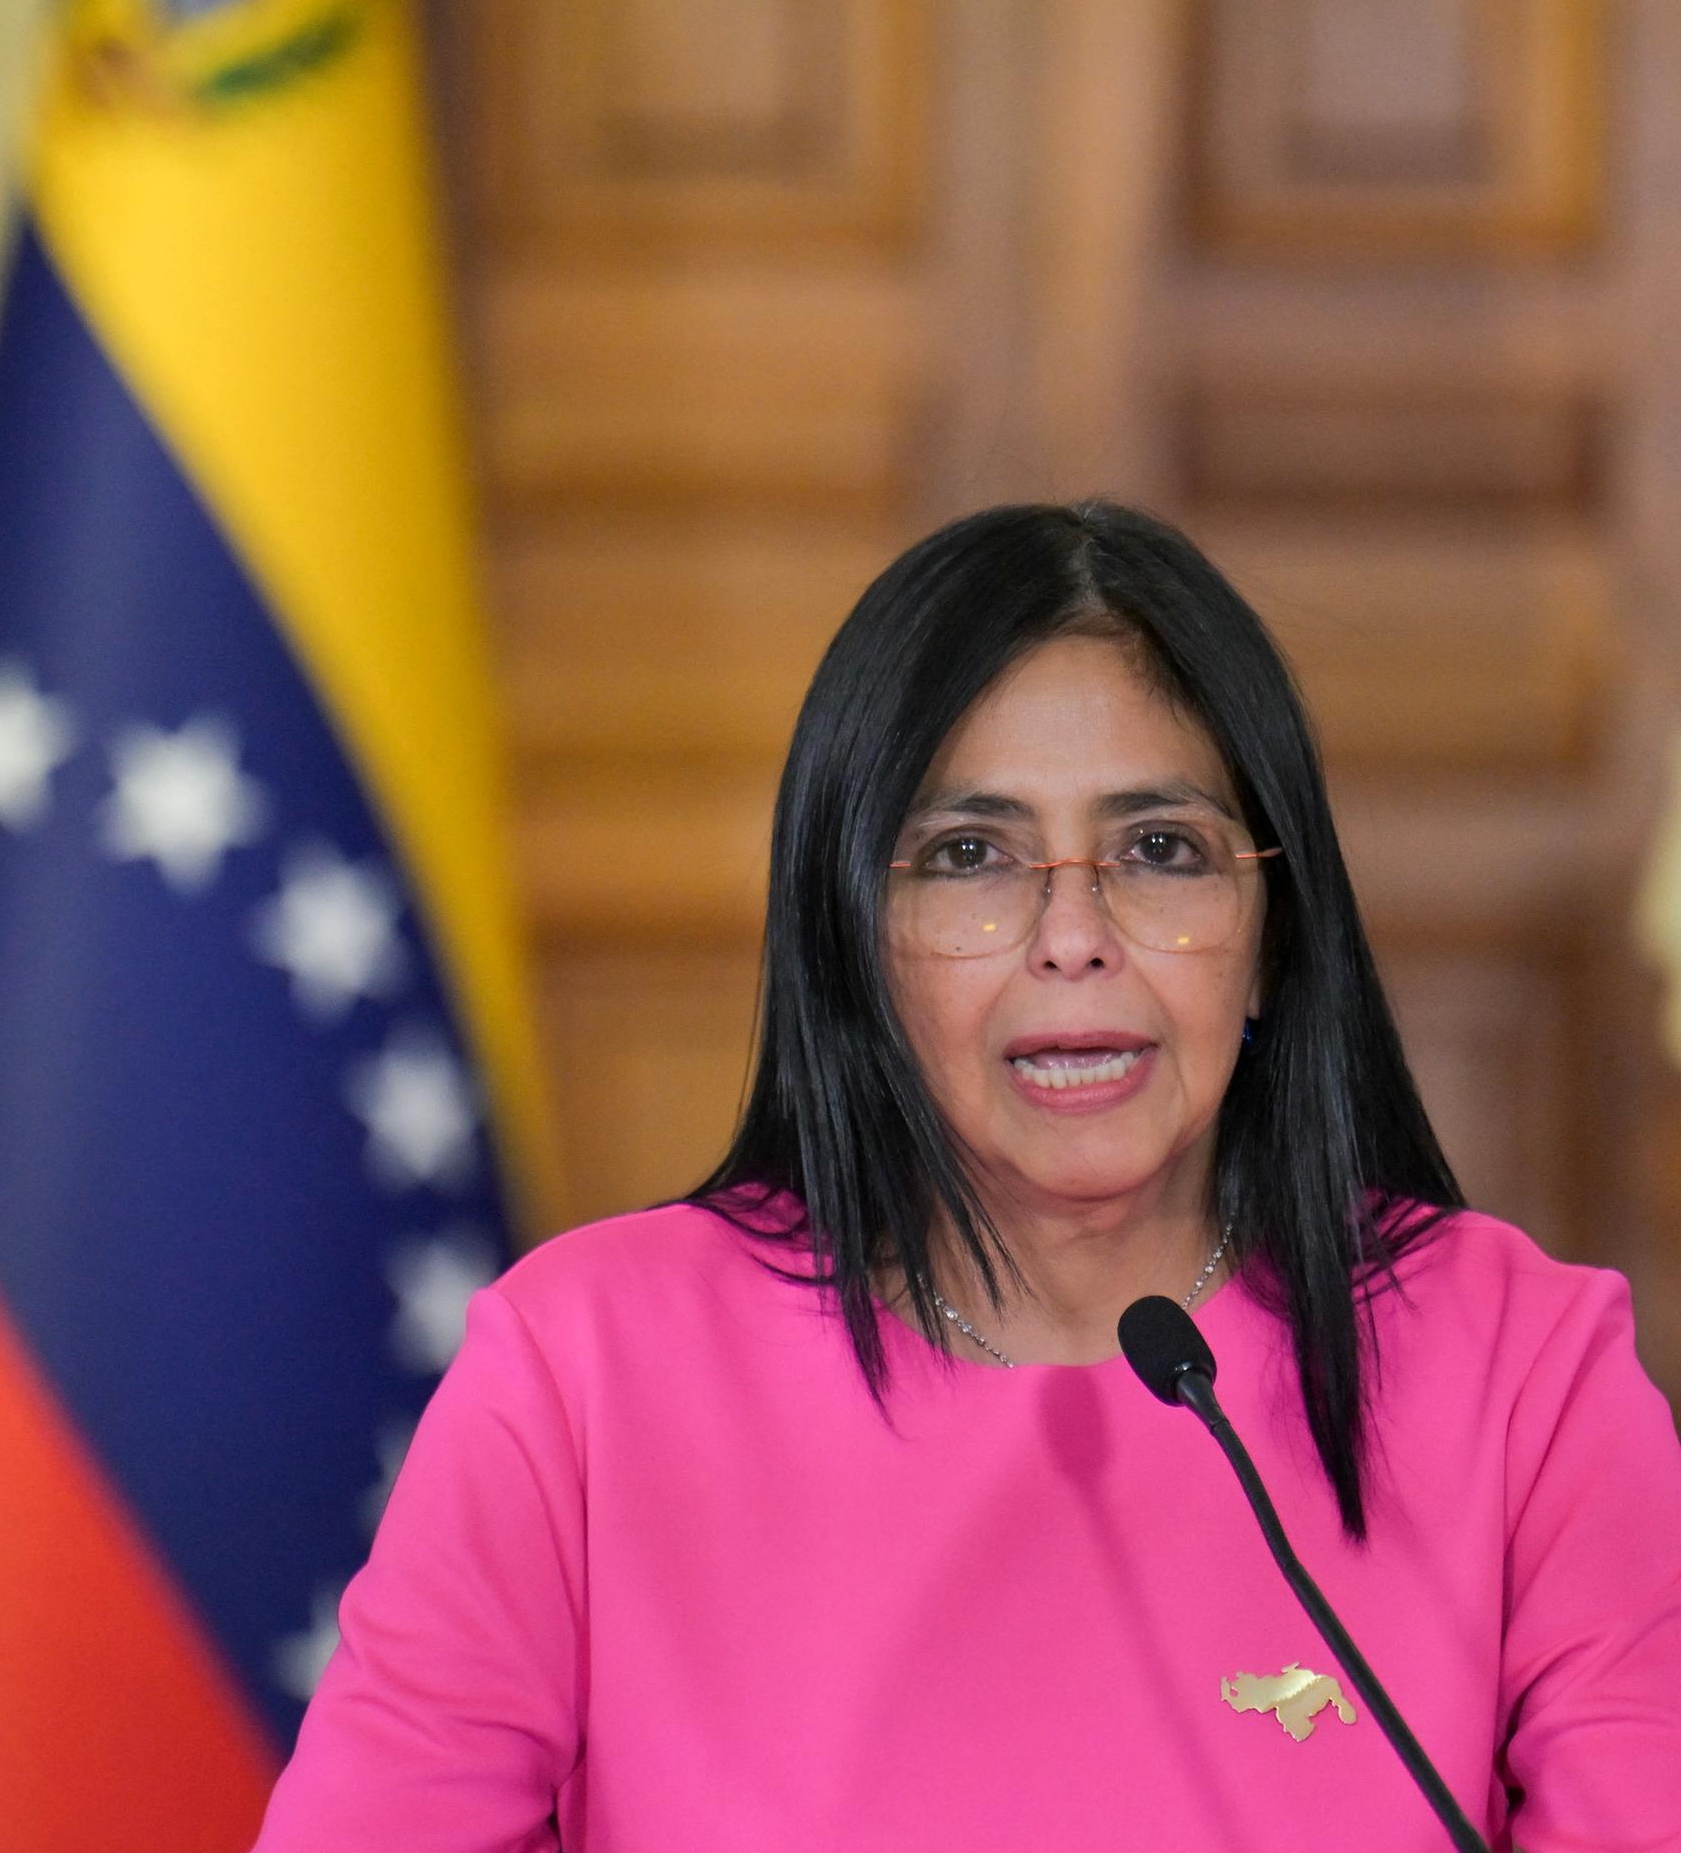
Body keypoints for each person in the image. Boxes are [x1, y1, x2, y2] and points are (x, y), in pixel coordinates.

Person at [250, 501, 1681, 1851]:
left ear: (1274, 928)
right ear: (854, 934)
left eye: (1161, 850)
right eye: (971, 856)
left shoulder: (1524, 1377)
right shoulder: (583, 1374)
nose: (1073, 935)